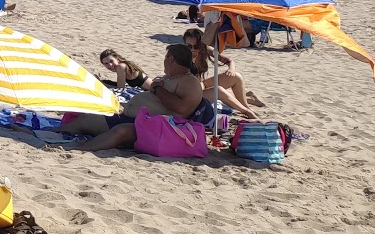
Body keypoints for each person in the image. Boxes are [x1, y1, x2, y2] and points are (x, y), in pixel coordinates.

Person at [73, 43, 215, 151]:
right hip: (137, 119)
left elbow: (181, 107)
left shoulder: (189, 82)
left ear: (171, 59)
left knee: (118, 130)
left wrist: (158, 88)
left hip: (150, 127)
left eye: (165, 58)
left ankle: (79, 150)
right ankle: (59, 135)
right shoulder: (175, 77)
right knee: (85, 119)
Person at [182, 26, 264, 118]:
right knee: (219, 90)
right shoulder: (181, 56)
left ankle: (246, 106)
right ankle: (247, 109)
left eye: (196, 46)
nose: (192, 49)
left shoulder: (205, 50)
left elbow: (229, 60)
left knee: (236, 77)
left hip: (202, 85)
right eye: (189, 46)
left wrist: (231, 69)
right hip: (193, 95)